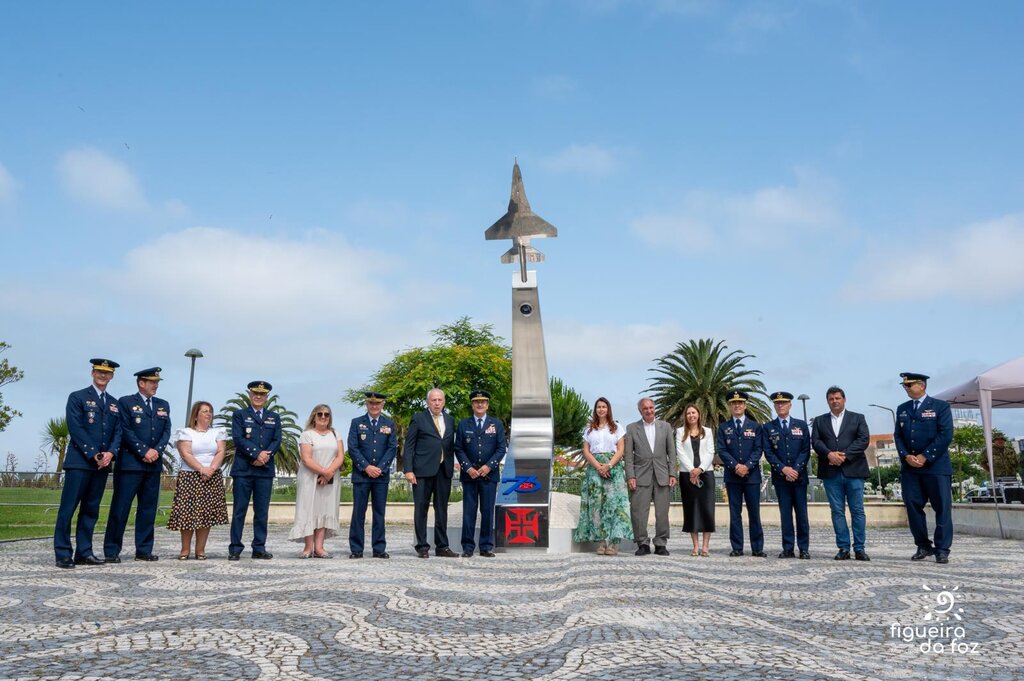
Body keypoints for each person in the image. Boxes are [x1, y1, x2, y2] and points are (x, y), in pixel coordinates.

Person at [54, 359, 122, 569]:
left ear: (112, 376)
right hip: (80, 463)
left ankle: (84, 551)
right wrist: (94, 454)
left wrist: (110, 453)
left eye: (107, 373)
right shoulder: (78, 397)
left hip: (101, 465)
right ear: (92, 373)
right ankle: (63, 553)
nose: (103, 376)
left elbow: (118, 432)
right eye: (100, 371)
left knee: (91, 510)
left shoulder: (113, 403)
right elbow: (76, 428)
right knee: (68, 509)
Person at [103, 367, 171, 563]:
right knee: (121, 508)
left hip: (153, 465)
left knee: (148, 509)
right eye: (152, 382)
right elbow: (124, 430)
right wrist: (143, 450)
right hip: (130, 465)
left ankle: (144, 549)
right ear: (141, 383)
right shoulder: (125, 402)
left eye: (157, 382)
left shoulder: (162, 405)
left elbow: (166, 430)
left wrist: (156, 450)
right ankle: (112, 550)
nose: (155, 385)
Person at [895, 372, 954, 564]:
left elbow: (945, 435)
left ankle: (942, 549)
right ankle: (923, 545)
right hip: (911, 468)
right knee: (912, 506)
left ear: (922, 385)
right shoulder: (902, 409)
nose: (906, 388)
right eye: (904, 386)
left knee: (942, 508)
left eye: (909, 385)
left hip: (936, 466)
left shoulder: (940, 407)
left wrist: (925, 456)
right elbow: (898, 436)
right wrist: (906, 456)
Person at [811, 386, 871, 561]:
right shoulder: (820, 421)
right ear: (827, 401)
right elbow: (815, 441)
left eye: (837, 398)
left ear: (844, 399)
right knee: (837, 511)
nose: (834, 401)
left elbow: (863, 439)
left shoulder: (858, 418)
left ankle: (859, 548)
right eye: (831, 399)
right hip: (831, 472)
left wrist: (844, 456)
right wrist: (829, 454)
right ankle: (843, 548)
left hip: (854, 470)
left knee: (857, 511)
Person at [167, 400, 229, 559]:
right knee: (188, 513)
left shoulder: (217, 432)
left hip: (211, 475)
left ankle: (200, 550)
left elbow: (221, 451)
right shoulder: (186, 432)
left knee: (205, 515)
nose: (209, 414)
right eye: (204, 411)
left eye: (210, 411)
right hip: (190, 476)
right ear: (196, 415)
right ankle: (185, 549)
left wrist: (211, 469)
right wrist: (201, 468)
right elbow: (185, 453)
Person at [229, 380, 282, 561]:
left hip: (264, 471)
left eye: (262, 394)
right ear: (250, 395)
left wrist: (266, 456)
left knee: (261, 512)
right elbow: (238, 439)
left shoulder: (274, 417)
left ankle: (259, 547)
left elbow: (277, 440)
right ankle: (235, 548)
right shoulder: (239, 415)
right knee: (239, 511)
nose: (258, 397)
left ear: (267, 397)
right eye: (255, 394)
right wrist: (257, 454)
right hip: (243, 470)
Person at [572, 397, 633, 555]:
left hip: (613, 468)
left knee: (615, 505)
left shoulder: (617, 427)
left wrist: (609, 465)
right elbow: (586, 450)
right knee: (596, 505)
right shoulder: (589, 429)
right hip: (594, 469)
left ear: (608, 409)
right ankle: (600, 542)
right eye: (599, 407)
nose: (601, 409)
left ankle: (614, 543)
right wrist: (598, 466)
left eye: (604, 406)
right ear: (595, 409)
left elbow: (620, 449)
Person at [404, 388, 457, 558]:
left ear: (444, 402)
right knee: (421, 509)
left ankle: (442, 546)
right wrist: (408, 470)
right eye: (433, 400)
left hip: (444, 470)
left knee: (441, 509)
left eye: (440, 400)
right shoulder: (418, 419)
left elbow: (449, 444)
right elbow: (409, 446)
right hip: (422, 471)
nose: (436, 403)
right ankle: (422, 546)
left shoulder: (450, 419)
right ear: (428, 402)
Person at [454, 390, 507, 558]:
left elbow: (501, 449)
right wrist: (468, 467)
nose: (480, 404)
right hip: (469, 475)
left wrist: (488, 466)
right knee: (469, 511)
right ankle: (467, 547)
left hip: (488, 475)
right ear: (472, 404)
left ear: (487, 404)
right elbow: (459, 448)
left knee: (487, 511)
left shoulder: (496, 424)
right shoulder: (464, 424)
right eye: (477, 402)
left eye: (483, 402)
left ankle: (486, 546)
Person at [623, 398, 676, 556]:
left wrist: (672, 473)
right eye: (645, 408)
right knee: (638, 511)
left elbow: (671, 452)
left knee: (662, 512)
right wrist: (630, 476)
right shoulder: (632, 428)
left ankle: (661, 543)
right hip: (640, 476)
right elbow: (628, 456)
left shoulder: (665, 427)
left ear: (655, 408)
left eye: (651, 407)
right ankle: (642, 543)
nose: (649, 410)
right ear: (640, 411)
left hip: (662, 475)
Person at [290, 404, 345, 558]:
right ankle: (308, 547)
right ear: (314, 416)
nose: (323, 417)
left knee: (324, 509)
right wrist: (324, 472)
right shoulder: (307, 434)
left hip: (330, 478)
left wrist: (329, 473)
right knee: (309, 509)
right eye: (320, 414)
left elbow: (340, 456)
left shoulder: (336, 434)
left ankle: (319, 547)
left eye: (326, 414)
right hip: (310, 477)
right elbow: (306, 459)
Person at [348, 392, 398, 559]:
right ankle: (356, 549)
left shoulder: (389, 423)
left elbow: (392, 448)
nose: (374, 406)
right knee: (358, 513)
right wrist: (367, 467)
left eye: (378, 403)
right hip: (361, 476)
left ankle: (379, 548)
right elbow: (353, 448)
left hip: (381, 477)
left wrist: (380, 468)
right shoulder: (356, 423)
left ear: (383, 404)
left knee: (379, 513)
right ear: (367, 404)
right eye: (371, 403)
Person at [762, 391, 811, 559]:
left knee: (802, 515)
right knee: (785, 515)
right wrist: (783, 469)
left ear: (790, 405)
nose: (780, 405)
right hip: (781, 478)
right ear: (774, 406)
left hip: (799, 478)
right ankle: (788, 548)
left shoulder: (801, 425)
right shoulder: (768, 427)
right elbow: (768, 452)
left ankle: (804, 548)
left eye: (784, 403)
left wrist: (795, 469)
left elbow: (805, 450)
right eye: (777, 403)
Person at [716, 390, 765, 557]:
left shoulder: (755, 426)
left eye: (740, 403)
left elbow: (758, 449)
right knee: (735, 513)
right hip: (732, 476)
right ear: (730, 406)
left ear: (745, 405)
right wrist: (736, 466)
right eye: (734, 403)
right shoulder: (724, 427)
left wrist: (747, 466)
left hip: (752, 477)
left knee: (754, 512)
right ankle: (737, 547)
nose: (737, 406)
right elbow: (722, 450)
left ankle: (757, 547)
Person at [676, 403, 716, 557]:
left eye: (694, 413)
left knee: (707, 509)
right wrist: (692, 470)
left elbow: (710, 451)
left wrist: (700, 469)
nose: (691, 415)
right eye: (688, 413)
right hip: (687, 474)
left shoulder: (708, 431)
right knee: (691, 509)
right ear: (685, 416)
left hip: (706, 473)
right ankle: (695, 546)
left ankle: (705, 546)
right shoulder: (680, 432)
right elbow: (680, 452)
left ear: (699, 414)